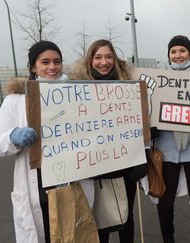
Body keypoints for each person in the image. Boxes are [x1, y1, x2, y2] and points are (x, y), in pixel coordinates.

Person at [0, 40, 94, 243]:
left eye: (57, 61)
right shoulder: (15, 100)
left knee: (75, 234)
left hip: (72, 184)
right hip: (38, 189)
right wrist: (13, 137)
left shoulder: (77, 95)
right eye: (45, 62)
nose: (52, 67)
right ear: (33, 67)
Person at [71, 39, 143, 243]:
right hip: (95, 170)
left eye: (108, 56)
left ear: (115, 59)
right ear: (90, 60)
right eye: (98, 57)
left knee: (125, 218)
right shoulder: (77, 89)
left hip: (125, 168)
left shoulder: (129, 87)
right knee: (99, 222)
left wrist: (142, 157)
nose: (104, 62)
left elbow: (139, 124)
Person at [154, 35, 190, 243]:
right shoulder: (158, 79)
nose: (178, 55)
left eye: (182, 51)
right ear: (168, 54)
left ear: (189, 53)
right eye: (173, 51)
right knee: (164, 200)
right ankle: (168, 239)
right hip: (167, 149)